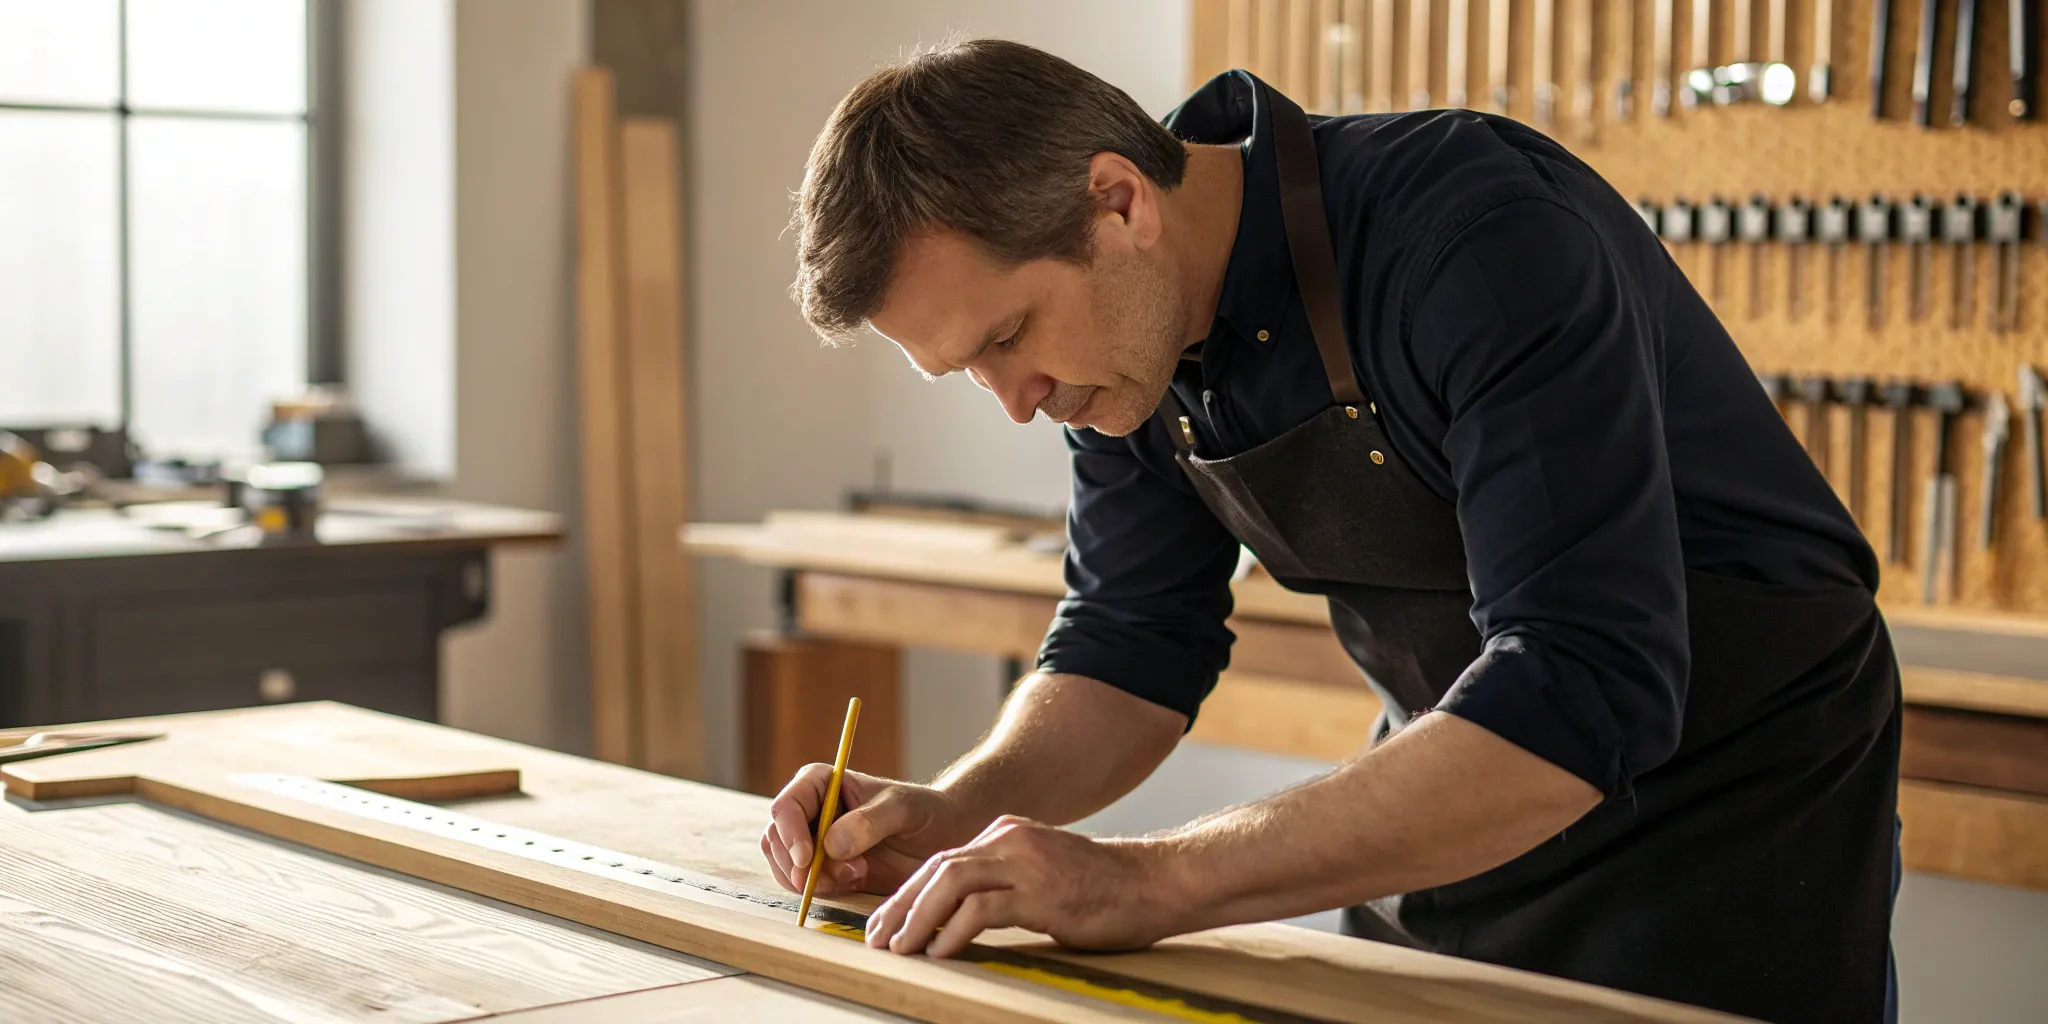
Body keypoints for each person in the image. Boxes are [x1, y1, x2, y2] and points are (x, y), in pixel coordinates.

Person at [761, 38, 1901, 1023]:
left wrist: (1141, 881)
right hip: (1449, 791)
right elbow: (1128, 640)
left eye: (1007, 336)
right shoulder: (1119, 349)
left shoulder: (1474, 240)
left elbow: (1580, 686)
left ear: (1118, 201)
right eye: (967, 371)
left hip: (1727, 811)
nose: (1014, 400)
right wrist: (955, 809)